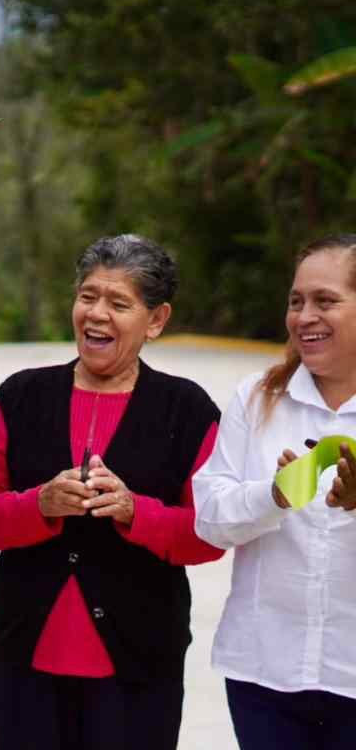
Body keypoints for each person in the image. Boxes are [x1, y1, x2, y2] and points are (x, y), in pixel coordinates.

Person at [0, 234, 223, 750]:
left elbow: (209, 534)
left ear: (156, 319)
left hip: (139, 664)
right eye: (87, 296)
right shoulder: (22, 395)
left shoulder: (187, 410)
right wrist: (37, 504)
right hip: (24, 660)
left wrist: (133, 512)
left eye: (119, 303)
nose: (96, 313)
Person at [194, 233, 356, 750]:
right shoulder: (257, 397)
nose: (304, 315)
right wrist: (275, 497)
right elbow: (209, 519)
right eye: (296, 301)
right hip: (264, 673)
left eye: (325, 301)